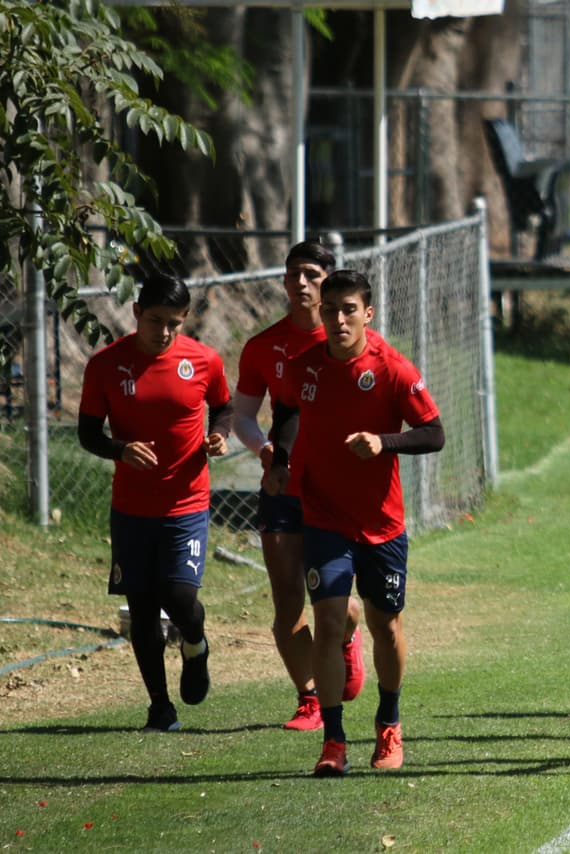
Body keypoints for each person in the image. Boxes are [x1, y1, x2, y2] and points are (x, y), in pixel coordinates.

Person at [265, 269, 445, 776]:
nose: (338, 319)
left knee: (385, 625)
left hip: (382, 523)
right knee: (325, 621)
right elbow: (286, 411)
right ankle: (334, 741)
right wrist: (280, 459)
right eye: (330, 310)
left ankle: (389, 724)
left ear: (368, 313)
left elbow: (433, 433)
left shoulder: (391, 369)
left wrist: (383, 442)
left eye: (349, 310)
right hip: (324, 518)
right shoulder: (304, 366)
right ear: (320, 313)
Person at [78, 273, 233, 732]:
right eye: (156, 320)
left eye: (175, 323)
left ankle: (196, 644)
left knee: (180, 597)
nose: (164, 332)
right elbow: (88, 433)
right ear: (136, 314)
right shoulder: (106, 365)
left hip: (186, 503)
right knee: (142, 608)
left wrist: (219, 434)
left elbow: (223, 407)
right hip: (131, 508)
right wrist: (119, 450)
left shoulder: (203, 361)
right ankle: (160, 708)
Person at [233, 241, 366, 732]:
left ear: (329, 280)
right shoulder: (264, 346)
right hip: (282, 487)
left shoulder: (349, 343)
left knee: (338, 602)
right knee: (287, 600)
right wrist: (263, 450)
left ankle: (346, 637)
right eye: (293, 274)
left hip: (336, 491)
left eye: (311, 274)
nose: (301, 283)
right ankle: (308, 697)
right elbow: (244, 415)